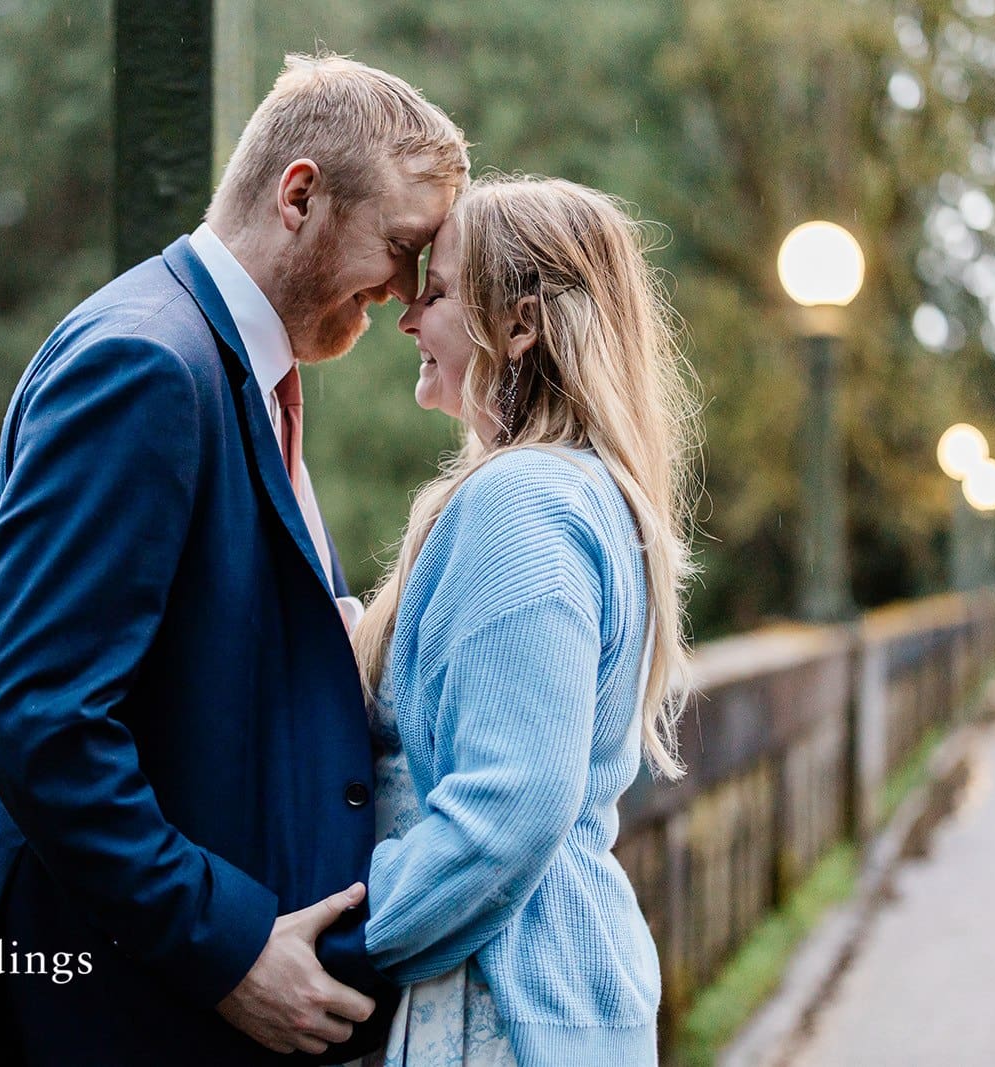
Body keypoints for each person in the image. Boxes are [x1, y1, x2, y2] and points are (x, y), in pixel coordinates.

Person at [0, 54, 468, 1065]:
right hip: (140, 1022)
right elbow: (34, 713)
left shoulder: (235, 369)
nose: (405, 292)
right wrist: (228, 948)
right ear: (298, 196)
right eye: (402, 247)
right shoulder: (145, 362)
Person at [346, 175, 700, 1066]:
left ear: (518, 325)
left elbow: (512, 805)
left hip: (495, 1009)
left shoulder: (526, 501)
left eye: (435, 293)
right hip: (546, 998)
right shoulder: (582, 493)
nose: (407, 318)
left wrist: (349, 932)